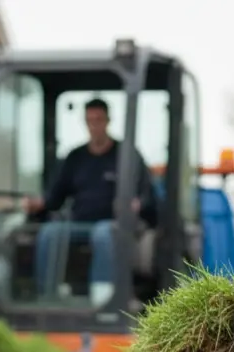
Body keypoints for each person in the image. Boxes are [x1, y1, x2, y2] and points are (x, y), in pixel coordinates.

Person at [25, 97, 157, 303]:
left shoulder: (127, 155)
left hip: (115, 225)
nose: (94, 125)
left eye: (99, 120)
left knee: (102, 234)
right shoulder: (75, 157)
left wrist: (136, 204)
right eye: (90, 120)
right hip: (80, 224)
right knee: (49, 233)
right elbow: (55, 197)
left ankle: (102, 300)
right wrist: (39, 203)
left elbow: (147, 193)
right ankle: (46, 296)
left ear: (108, 121)